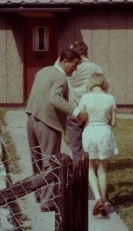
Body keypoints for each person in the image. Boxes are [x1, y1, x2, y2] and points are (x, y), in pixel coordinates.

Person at [26, 48, 88, 212]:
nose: (74, 70)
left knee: (37, 161)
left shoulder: (43, 71)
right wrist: (76, 112)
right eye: (74, 65)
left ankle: (39, 194)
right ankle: (48, 202)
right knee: (51, 162)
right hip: (47, 122)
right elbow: (55, 98)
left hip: (32, 118)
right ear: (65, 61)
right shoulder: (60, 77)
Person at [78, 72, 118, 216]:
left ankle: (97, 199)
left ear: (91, 83)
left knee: (90, 168)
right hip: (104, 132)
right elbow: (113, 122)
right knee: (102, 168)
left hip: (89, 132)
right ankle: (104, 199)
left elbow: (81, 119)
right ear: (103, 83)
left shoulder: (85, 98)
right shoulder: (110, 98)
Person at [66, 41, 103, 161]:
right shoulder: (96, 68)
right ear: (86, 51)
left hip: (73, 108)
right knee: (89, 143)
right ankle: (89, 167)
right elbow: (103, 87)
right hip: (90, 110)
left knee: (75, 145)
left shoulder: (68, 66)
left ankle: (79, 170)